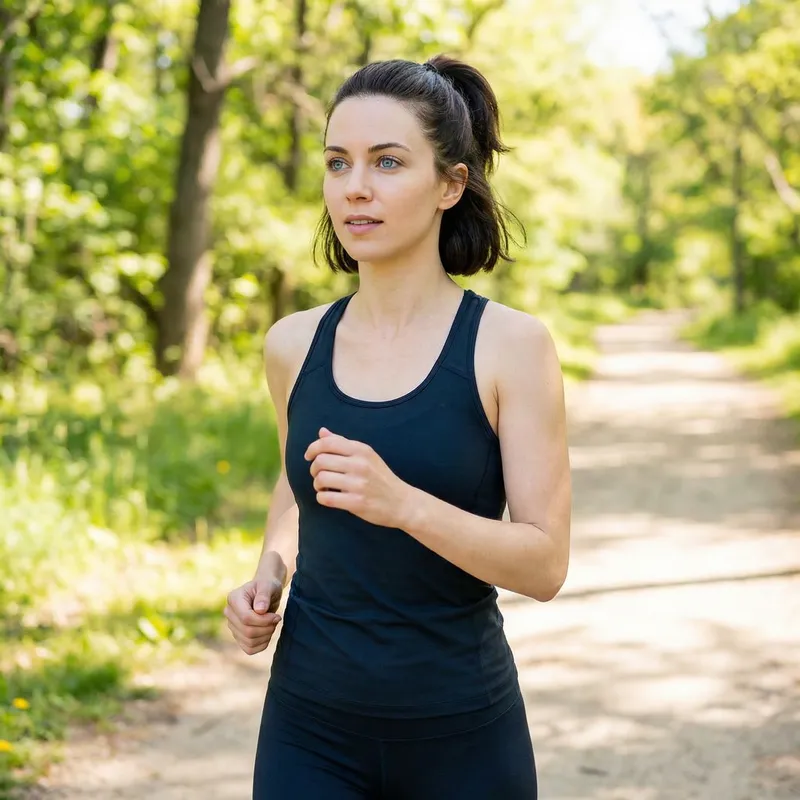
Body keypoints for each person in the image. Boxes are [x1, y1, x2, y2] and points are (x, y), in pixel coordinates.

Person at [223, 54, 571, 800]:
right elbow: (297, 489)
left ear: (451, 184)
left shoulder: (510, 347)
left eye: (387, 162)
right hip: (306, 730)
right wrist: (268, 574)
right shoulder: (293, 343)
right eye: (337, 162)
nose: (355, 187)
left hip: (462, 735)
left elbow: (544, 566)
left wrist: (404, 505)